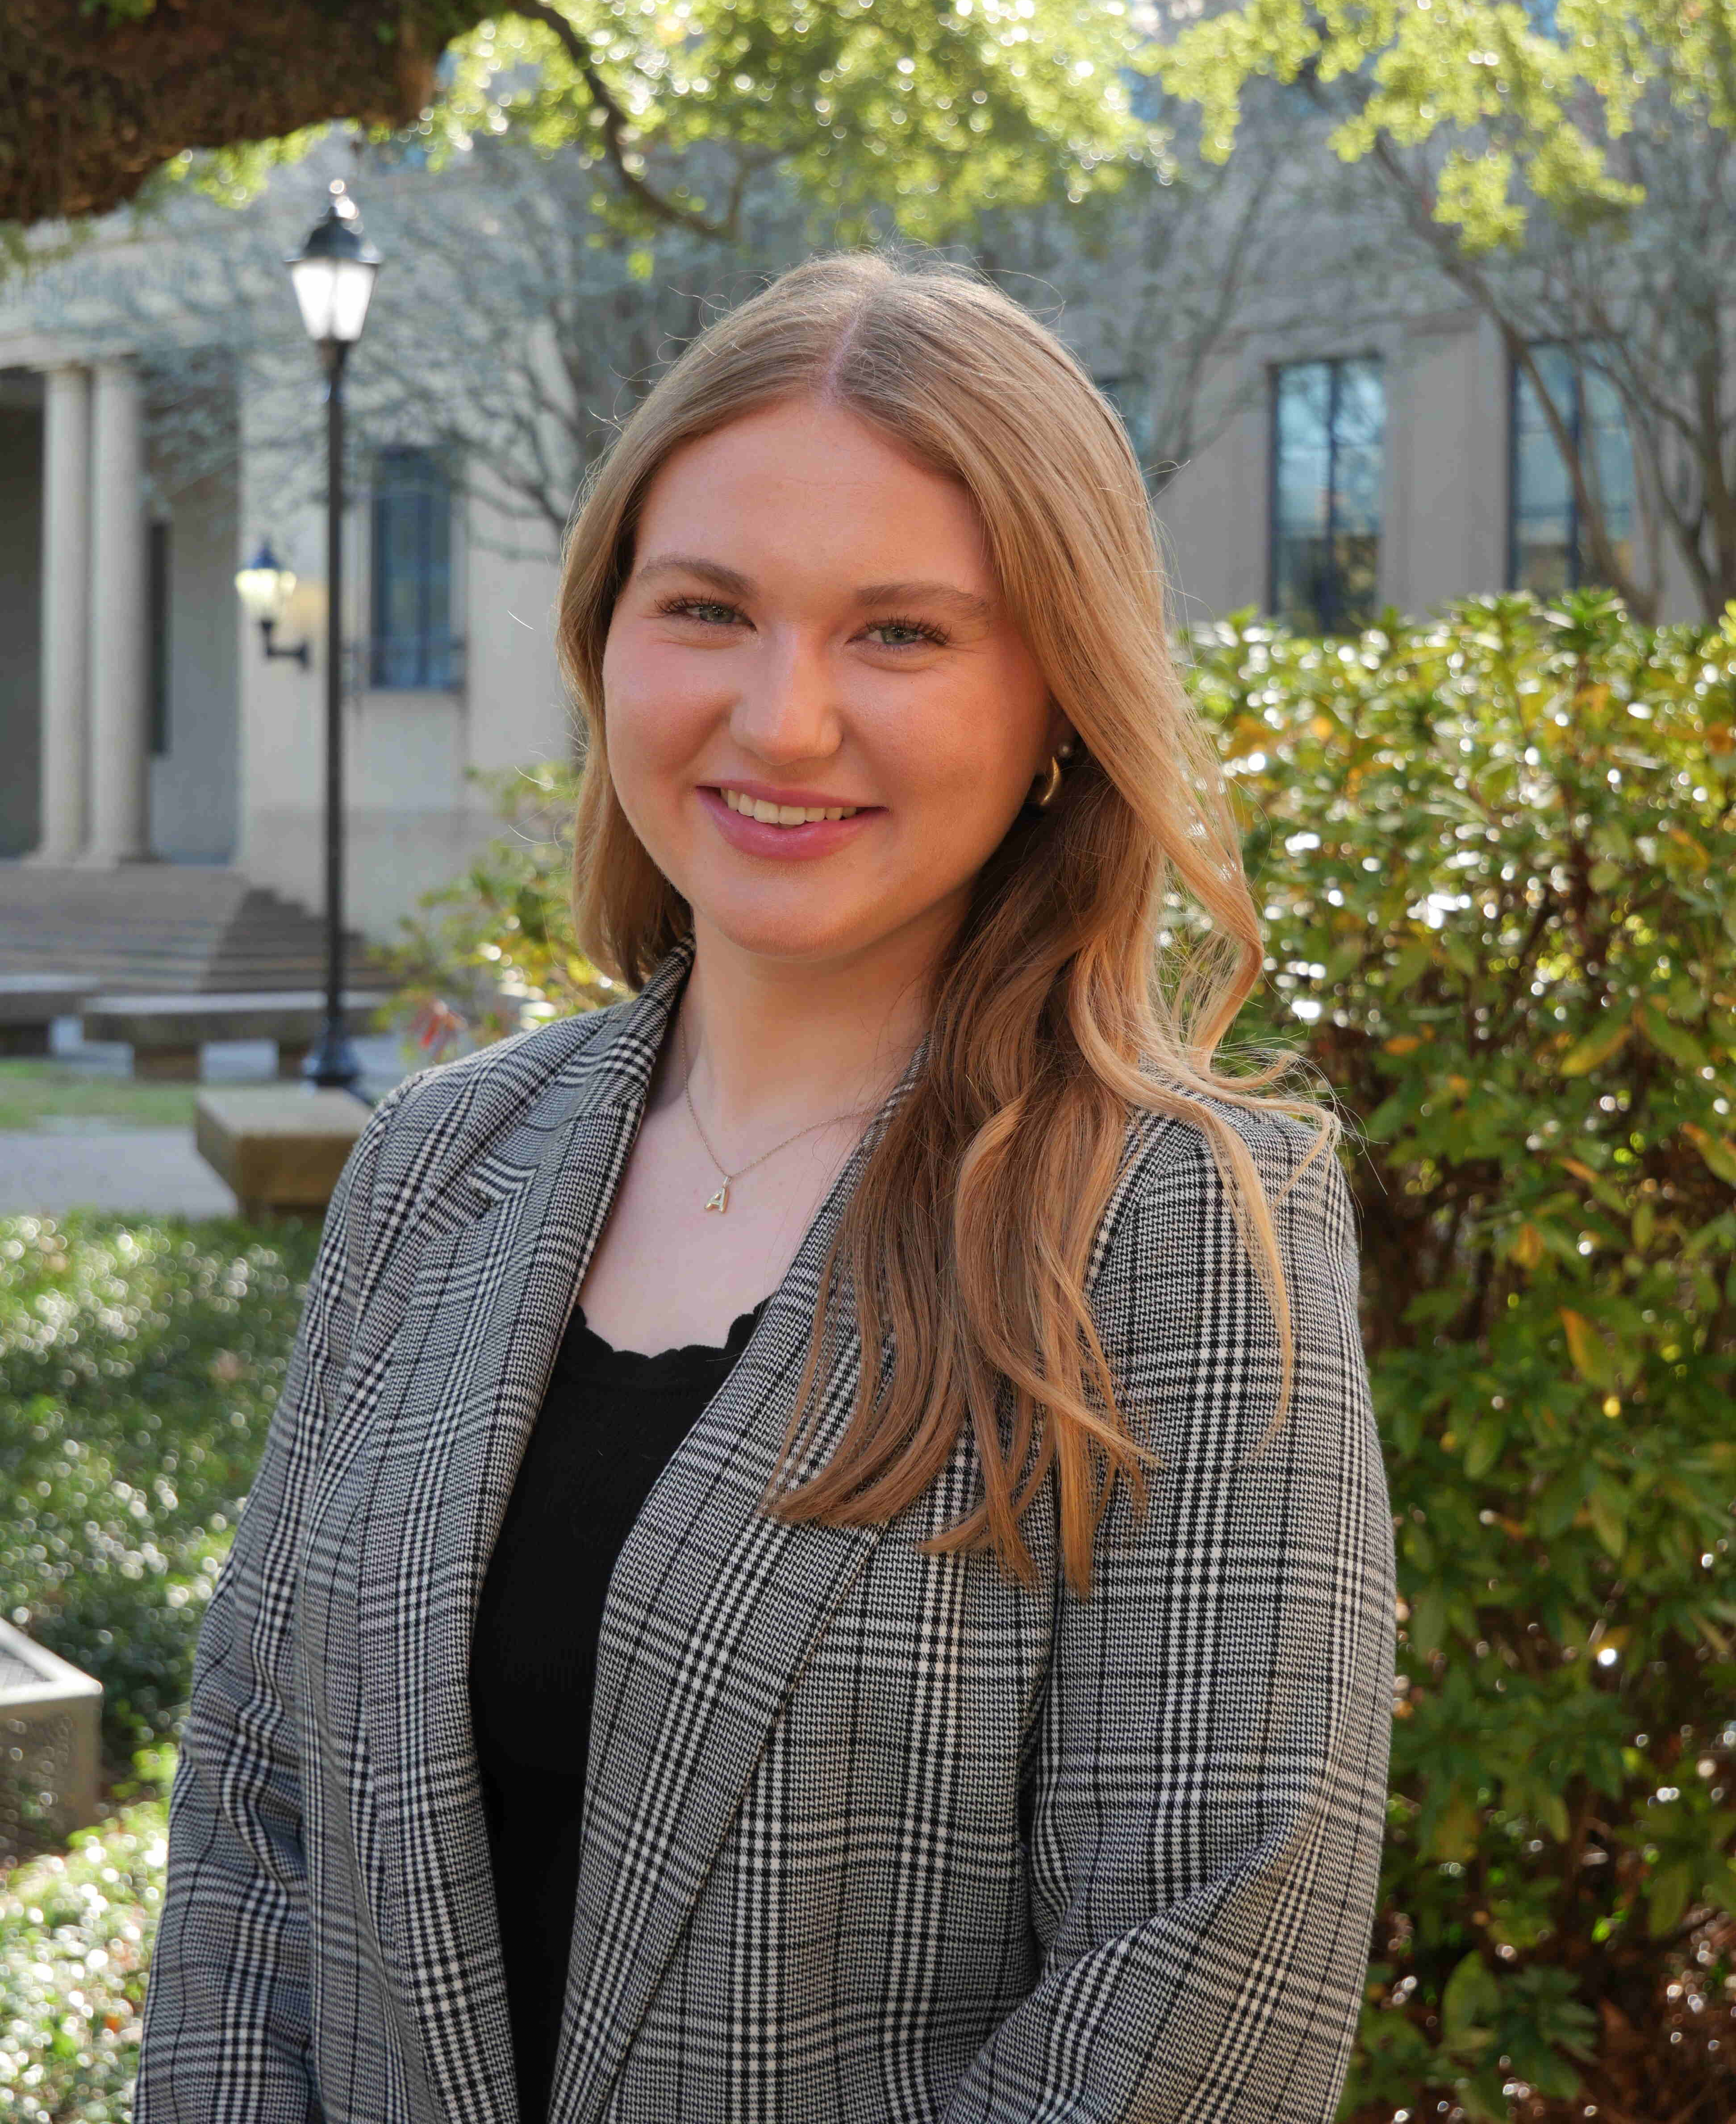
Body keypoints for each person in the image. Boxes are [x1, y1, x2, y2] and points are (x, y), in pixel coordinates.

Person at [135, 248, 1394, 2124]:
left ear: (1059, 694)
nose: (783, 719)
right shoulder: (440, 1164)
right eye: (709, 608)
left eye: (901, 633)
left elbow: (1206, 1983)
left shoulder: (1185, 1235)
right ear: (606, 638)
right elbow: (258, 1811)